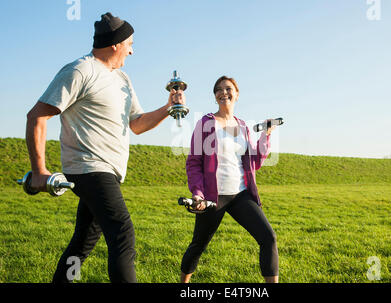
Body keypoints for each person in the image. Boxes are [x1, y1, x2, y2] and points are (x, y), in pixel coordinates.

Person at [25, 12, 186, 283]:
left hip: (109, 171)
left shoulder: (122, 79)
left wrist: (168, 108)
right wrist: (39, 170)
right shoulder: (80, 70)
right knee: (122, 233)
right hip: (89, 167)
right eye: (130, 44)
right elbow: (37, 116)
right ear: (116, 44)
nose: (132, 51)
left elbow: (136, 124)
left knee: (84, 241)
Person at [180, 76, 279, 283]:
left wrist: (266, 135)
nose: (223, 92)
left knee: (268, 238)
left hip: (241, 194)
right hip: (213, 197)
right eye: (218, 90)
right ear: (215, 96)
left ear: (237, 94)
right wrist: (197, 193)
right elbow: (194, 162)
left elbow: (255, 162)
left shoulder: (242, 126)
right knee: (198, 244)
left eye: (228, 89)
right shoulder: (206, 123)